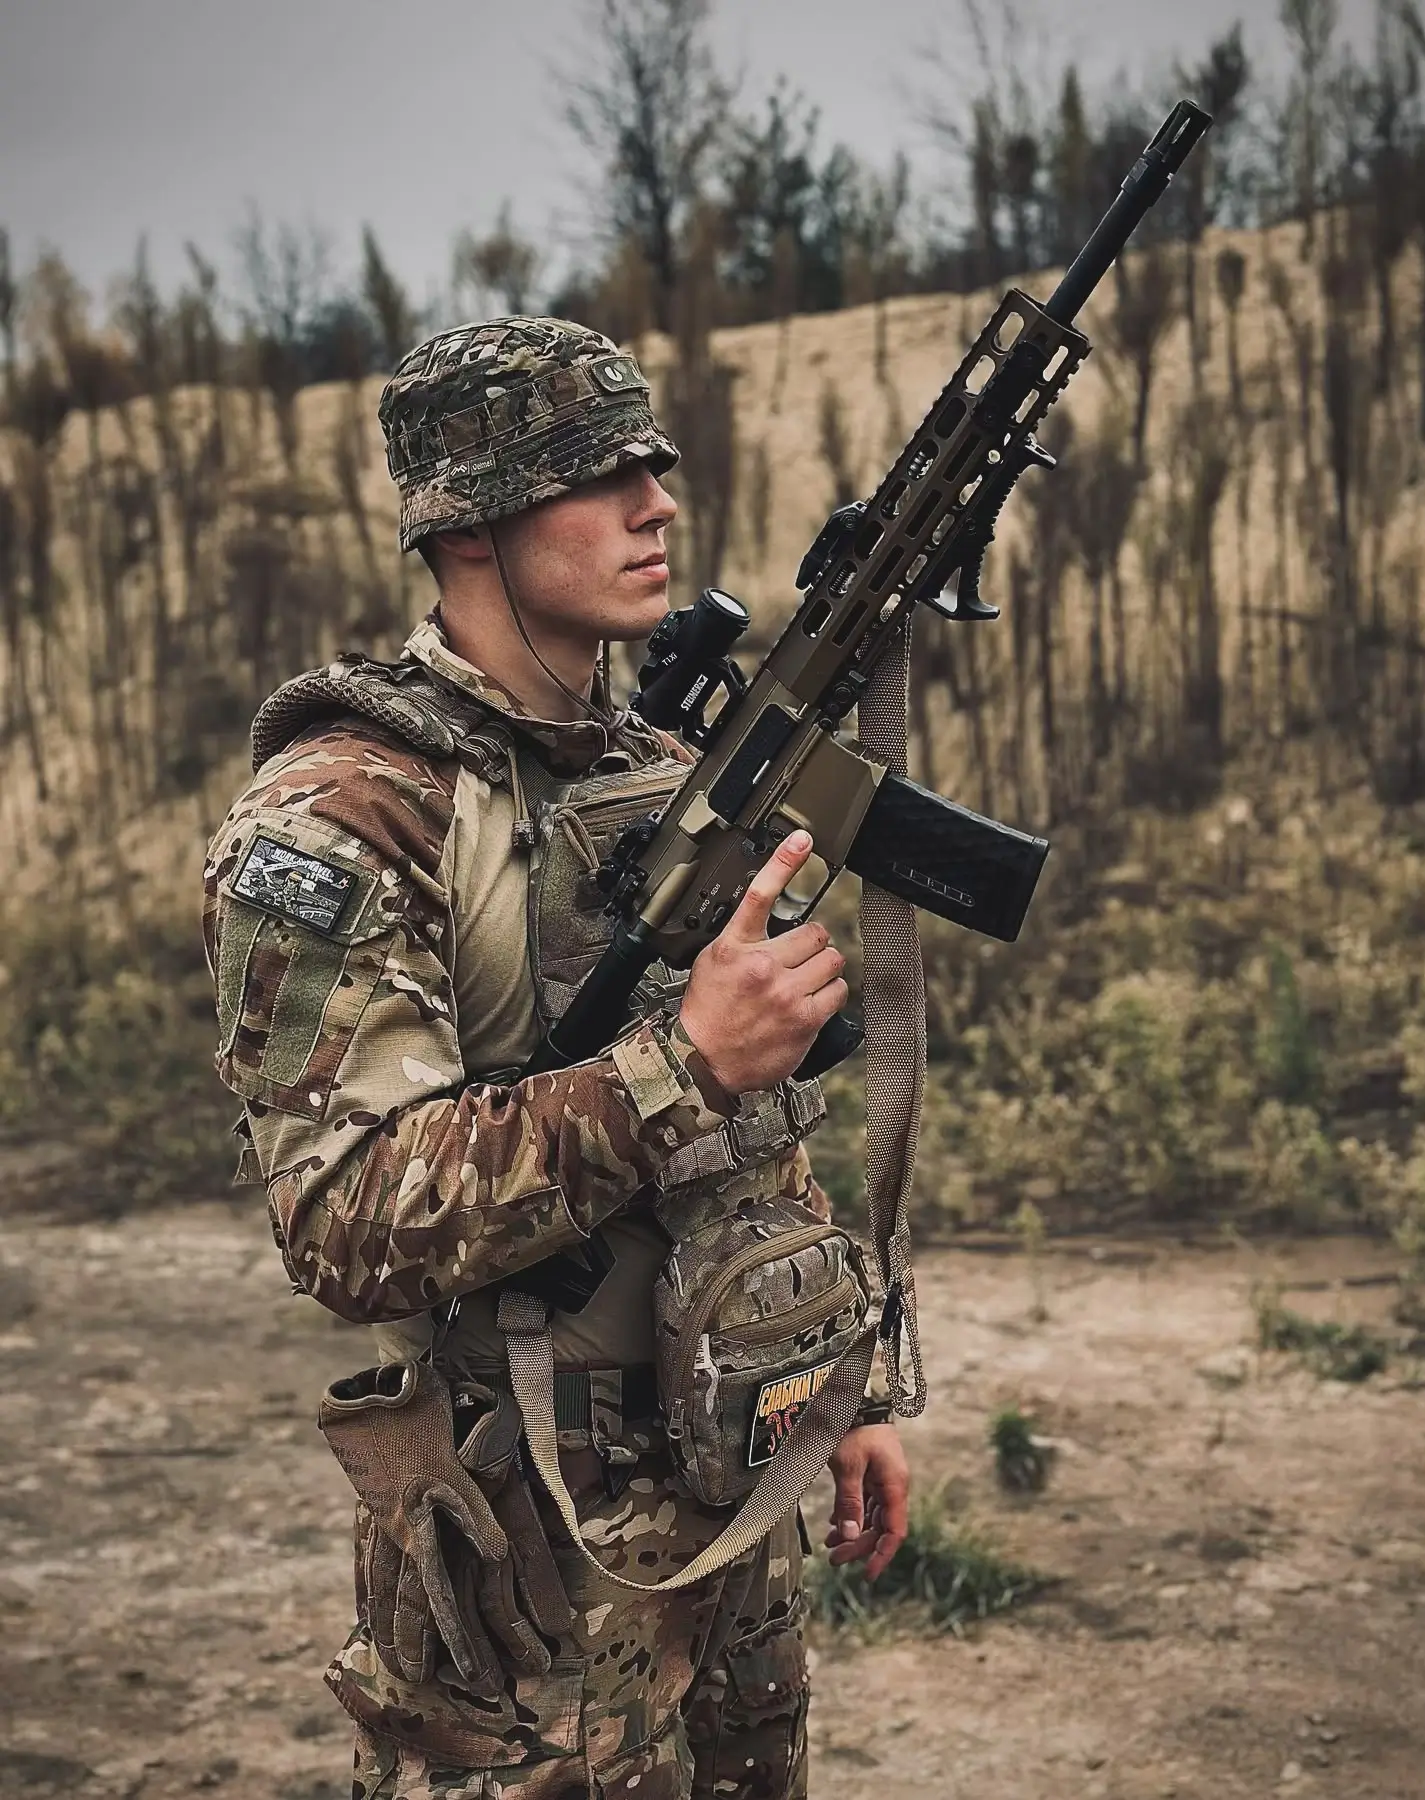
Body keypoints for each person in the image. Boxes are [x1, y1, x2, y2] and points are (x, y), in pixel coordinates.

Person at [202, 316, 910, 1800]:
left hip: (732, 1483)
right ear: (465, 526)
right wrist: (682, 1066)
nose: (656, 504)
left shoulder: (657, 773)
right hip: (525, 1545)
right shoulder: (345, 813)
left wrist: (835, 1391)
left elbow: (759, 1138)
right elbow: (343, 1222)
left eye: (653, 465)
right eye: (597, 478)